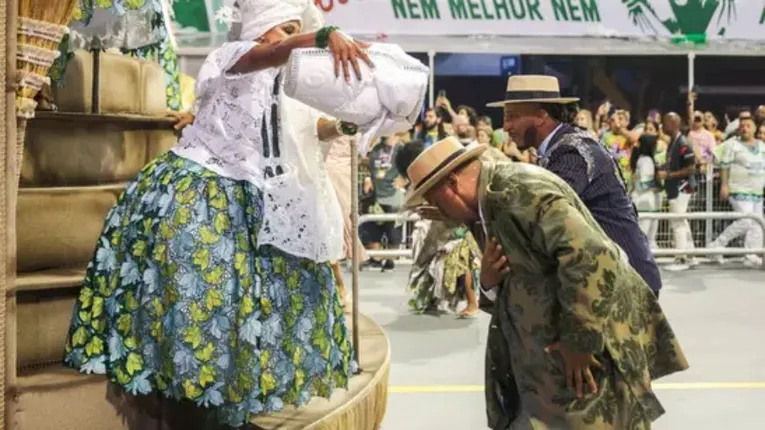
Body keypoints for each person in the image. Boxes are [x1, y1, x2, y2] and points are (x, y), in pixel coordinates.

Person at [63, 0, 368, 425]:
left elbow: (306, 126)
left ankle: (228, 412)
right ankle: (193, 411)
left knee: (246, 315)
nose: (288, 41)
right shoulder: (232, 55)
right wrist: (318, 37)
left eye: (293, 30)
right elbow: (263, 56)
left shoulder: (287, 79)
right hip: (204, 195)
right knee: (202, 304)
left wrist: (343, 126)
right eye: (284, 30)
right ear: (262, 30)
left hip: (259, 198)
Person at [403, 137, 688, 429]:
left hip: (584, 360)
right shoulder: (486, 207)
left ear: (453, 184)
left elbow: (590, 255)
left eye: (438, 202)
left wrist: (579, 343)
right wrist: (487, 282)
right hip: (542, 369)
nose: (439, 213)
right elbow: (517, 278)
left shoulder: (520, 192)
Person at [489, 75, 662, 296]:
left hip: (625, 283)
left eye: (512, 117)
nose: (506, 127)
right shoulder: (562, 147)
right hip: (610, 279)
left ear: (541, 116)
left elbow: (543, 213)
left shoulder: (570, 153)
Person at [396, 140, 482, 317]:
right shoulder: (424, 183)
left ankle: (473, 303)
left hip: (459, 229)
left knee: (464, 263)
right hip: (438, 229)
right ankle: (433, 298)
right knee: (433, 265)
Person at [709, 114, 765, 266]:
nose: (744, 128)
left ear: (754, 128)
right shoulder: (732, 144)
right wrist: (724, 185)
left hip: (758, 192)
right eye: (742, 126)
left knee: (758, 224)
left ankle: (751, 255)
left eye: (748, 126)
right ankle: (716, 246)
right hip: (739, 190)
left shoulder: (762, 146)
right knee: (745, 221)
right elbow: (724, 165)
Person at [325, 134, 369, 306]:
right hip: (325, 167)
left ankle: (340, 287)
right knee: (329, 224)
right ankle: (338, 287)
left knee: (337, 223)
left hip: (341, 171)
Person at [659, 112, 698, 271]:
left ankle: (680, 258)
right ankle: (691, 256)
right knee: (682, 221)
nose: (662, 126)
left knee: (677, 222)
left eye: (665, 122)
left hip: (681, 188)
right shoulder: (674, 142)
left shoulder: (683, 142)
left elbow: (691, 168)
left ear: (674, 123)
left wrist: (668, 174)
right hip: (677, 187)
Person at [630, 129, 662, 248]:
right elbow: (644, 184)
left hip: (643, 200)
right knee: (644, 234)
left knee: (646, 235)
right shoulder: (646, 161)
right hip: (645, 201)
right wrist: (659, 185)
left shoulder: (642, 159)